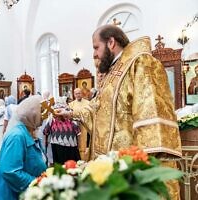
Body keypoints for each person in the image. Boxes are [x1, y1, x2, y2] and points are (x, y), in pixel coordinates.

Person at [58, 25, 182, 199]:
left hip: (132, 172)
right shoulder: (112, 74)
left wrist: (142, 175)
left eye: (96, 47)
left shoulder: (141, 63)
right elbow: (100, 114)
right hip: (112, 172)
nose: (94, 54)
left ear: (111, 42)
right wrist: (71, 114)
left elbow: (152, 126)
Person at [0, 95, 47, 200]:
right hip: (8, 195)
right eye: (41, 111)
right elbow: (10, 171)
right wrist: (37, 183)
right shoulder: (17, 136)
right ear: (31, 113)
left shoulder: (29, 132)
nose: (44, 115)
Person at [43, 97, 81, 164]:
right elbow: (78, 130)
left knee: (60, 167)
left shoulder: (52, 115)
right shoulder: (69, 113)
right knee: (72, 166)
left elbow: (46, 130)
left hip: (57, 144)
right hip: (71, 143)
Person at [68, 88, 89, 161]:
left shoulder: (88, 103)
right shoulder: (71, 104)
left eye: (79, 93)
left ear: (82, 93)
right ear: (74, 95)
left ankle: (85, 159)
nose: (78, 95)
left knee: (85, 142)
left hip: (85, 126)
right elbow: (69, 116)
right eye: (76, 94)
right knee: (77, 143)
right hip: (75, 127)